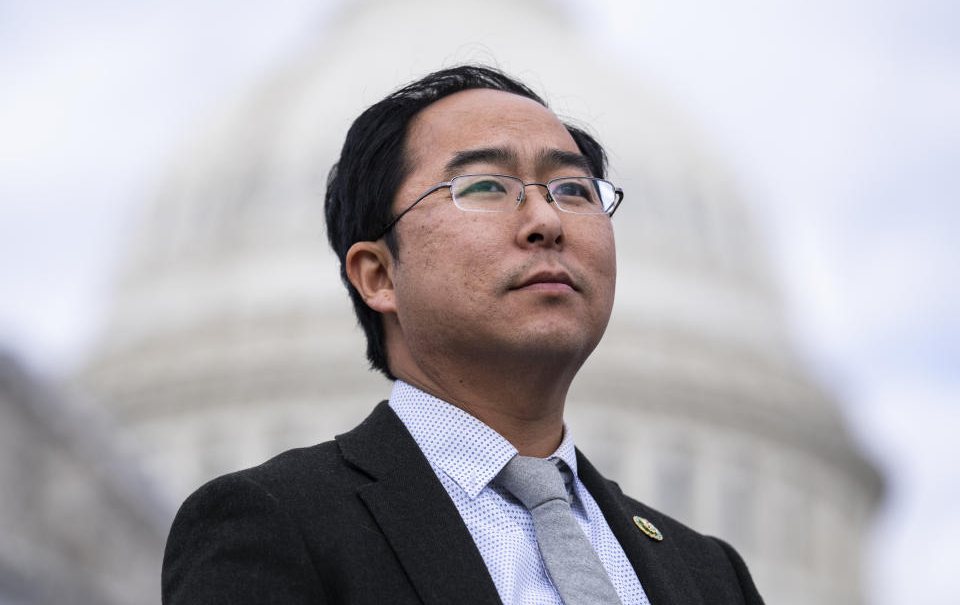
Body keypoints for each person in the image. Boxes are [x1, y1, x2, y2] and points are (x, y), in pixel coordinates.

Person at [161, 65, 764, 605]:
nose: (546, 221)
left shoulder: (710, 577)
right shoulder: (276, 525)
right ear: (378, 275)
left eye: (574, 190)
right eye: (484, 188)